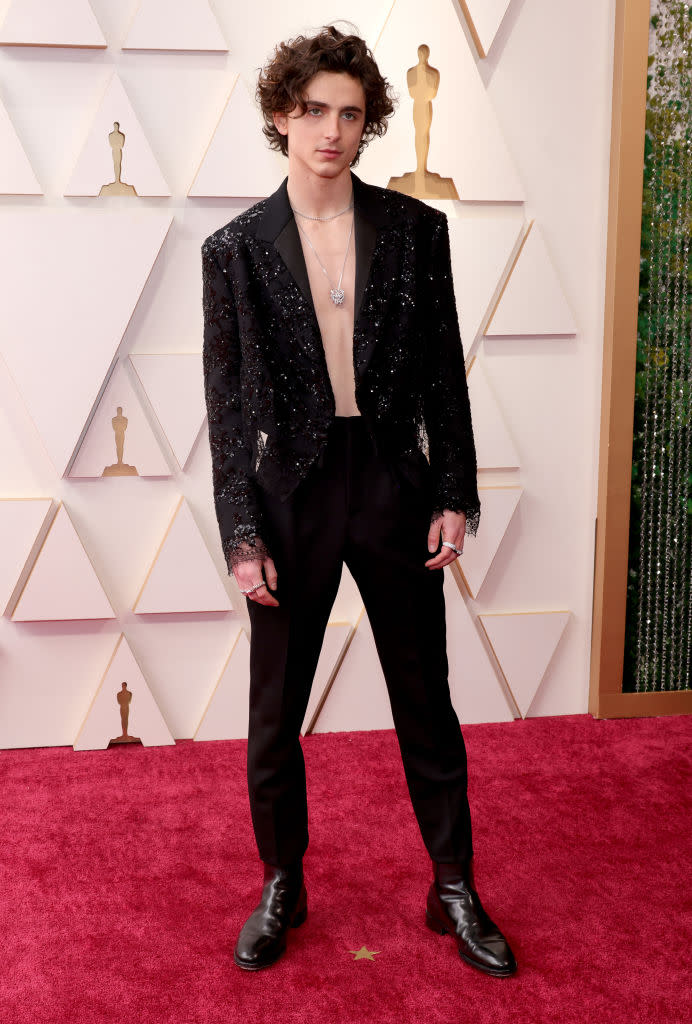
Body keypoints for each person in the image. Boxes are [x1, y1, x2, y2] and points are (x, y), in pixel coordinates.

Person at [201, 24, 517, 977]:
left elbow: (443, 380)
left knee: (427, 696)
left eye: (349, 114)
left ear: (367, 122)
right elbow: (223, 401)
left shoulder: (420, 233)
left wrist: (455, 488)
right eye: (314, 112)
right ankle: (281, 881)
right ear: (279, 117)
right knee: (274, 710)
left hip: (391, 479)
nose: (332, 131)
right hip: (290, 488)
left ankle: (452, 883)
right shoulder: (234, 250)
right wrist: (242, 530)